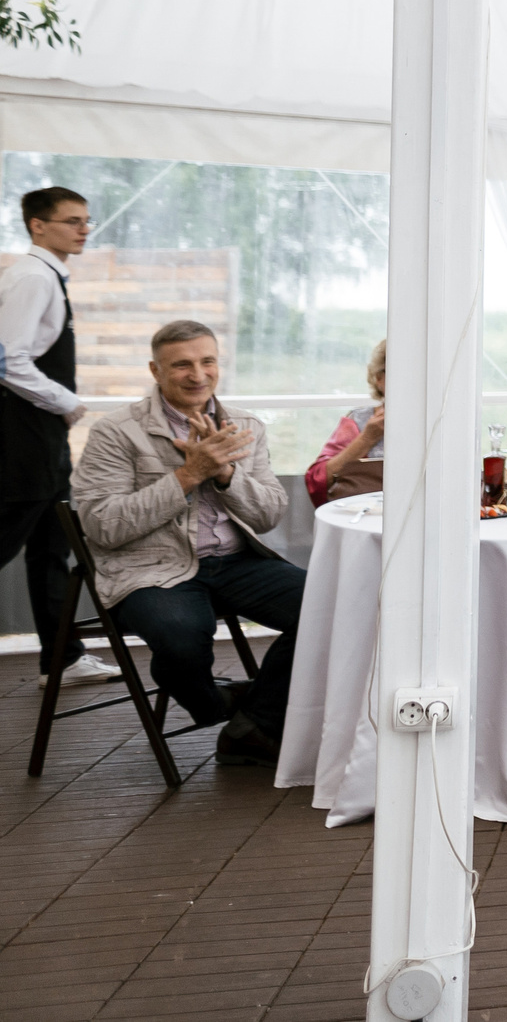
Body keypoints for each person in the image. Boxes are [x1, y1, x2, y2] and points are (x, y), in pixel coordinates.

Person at [70, 320, 307, 766]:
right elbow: (102, 525)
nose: (197, 374)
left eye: (207, 361)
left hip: (237, 562)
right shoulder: (116, 432)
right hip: (150, 567)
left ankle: (255, 723)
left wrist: (226, 475)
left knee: (333, 608)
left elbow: (269, 513)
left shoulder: (245, 425)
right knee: (181, 637)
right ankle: (220, 708)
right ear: (155, 370)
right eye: (181, 365)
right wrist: (188, 474)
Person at [0, 186, 112, 684]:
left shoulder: (46, 276)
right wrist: (66, 402)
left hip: (38, 428)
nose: (83, 228)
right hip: (24, 432)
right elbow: (7, 359)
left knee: (51, 546)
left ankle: (62, 659)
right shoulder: (31, 277)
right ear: (37, 226)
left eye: (86, 220)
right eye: (72, 221)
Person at [306, 340, 389, 507]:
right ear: (379, 379)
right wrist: (366, 439)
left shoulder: (441, 424)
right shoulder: (360, 421)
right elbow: (317, 480)